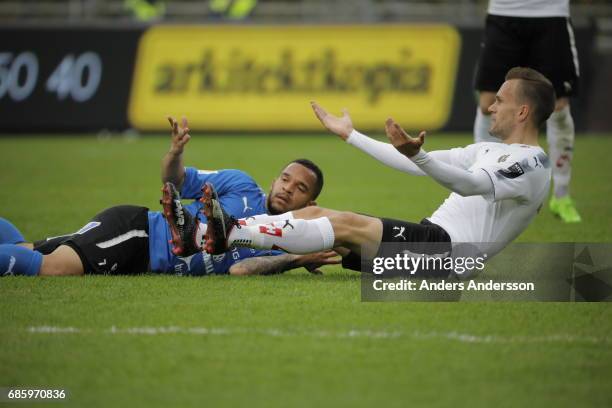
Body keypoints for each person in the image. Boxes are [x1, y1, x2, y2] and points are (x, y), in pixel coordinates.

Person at [200, 67, 553, 274]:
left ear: (522, 112)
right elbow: (411, 162)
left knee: (342, 224)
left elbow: (472, 185)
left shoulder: (531, 163)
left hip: (446, 257)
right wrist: (350, 135)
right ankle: (216, 238)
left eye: (501, 101)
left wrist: (421, 158)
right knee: (315, 215)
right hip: (433, 243)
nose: (491, 107)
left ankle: (225, 234)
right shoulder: (491, 150)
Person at [0, 117, 338, 277]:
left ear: (309, 205)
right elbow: (173, 180)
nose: (286, 188)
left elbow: (241, 271)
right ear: (274, 179)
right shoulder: (241, 186)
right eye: (284, 179)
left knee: (29, 250)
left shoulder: (285, 240)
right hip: (139, 235)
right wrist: (175, 152)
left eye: (299, 188)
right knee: (55, 268)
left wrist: (296, 259)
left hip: (143, 262)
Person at [473, 0, 581, 223]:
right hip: (503, 12)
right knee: (487, 104)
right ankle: (480, 184)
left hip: (551, 14)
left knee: (559, 104)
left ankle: (561, 195)